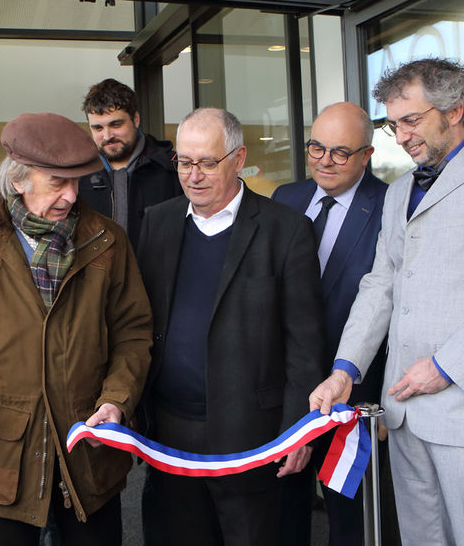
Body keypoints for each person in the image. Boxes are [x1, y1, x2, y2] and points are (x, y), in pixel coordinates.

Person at [309, 58, 464, 546]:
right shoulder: (400, 188)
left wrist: (445, 366)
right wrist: (346, 369)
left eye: (411, 121)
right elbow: (381, 283)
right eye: (393, 124)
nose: (400, 137)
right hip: (404, 414)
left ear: (454, 110)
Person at [0, 112, 153, 546]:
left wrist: (117, 401)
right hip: (1, 457)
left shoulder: (108, 241)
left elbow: (132, 334)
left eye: (77, 181)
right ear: (19, 179)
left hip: (85, 451)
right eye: (58, 182)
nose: (72, 195)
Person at [136, 107, 323, 546]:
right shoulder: (157, 222)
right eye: (184, 161)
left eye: (207, 162)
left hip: (251, 438)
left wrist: (300, 429)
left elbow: (304, 343)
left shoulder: (287, 230)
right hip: (170, 436)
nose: (193, 175)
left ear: (238, 159)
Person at [272, 102, 391, 546]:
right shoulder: (287, 197)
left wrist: (377, 398)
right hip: (290, 389)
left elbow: (390, 305)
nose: (325, 160)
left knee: (350, 519)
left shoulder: (388, 206)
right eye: (316, 147)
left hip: (355, 396)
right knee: (286, 510)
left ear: (367, 154)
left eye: (340, 152)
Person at [77, 78, 180, 247]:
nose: (107, 136)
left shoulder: (173, 169)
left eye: (116, 124)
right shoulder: (77, 175)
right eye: (98, 128)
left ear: (136, 119)